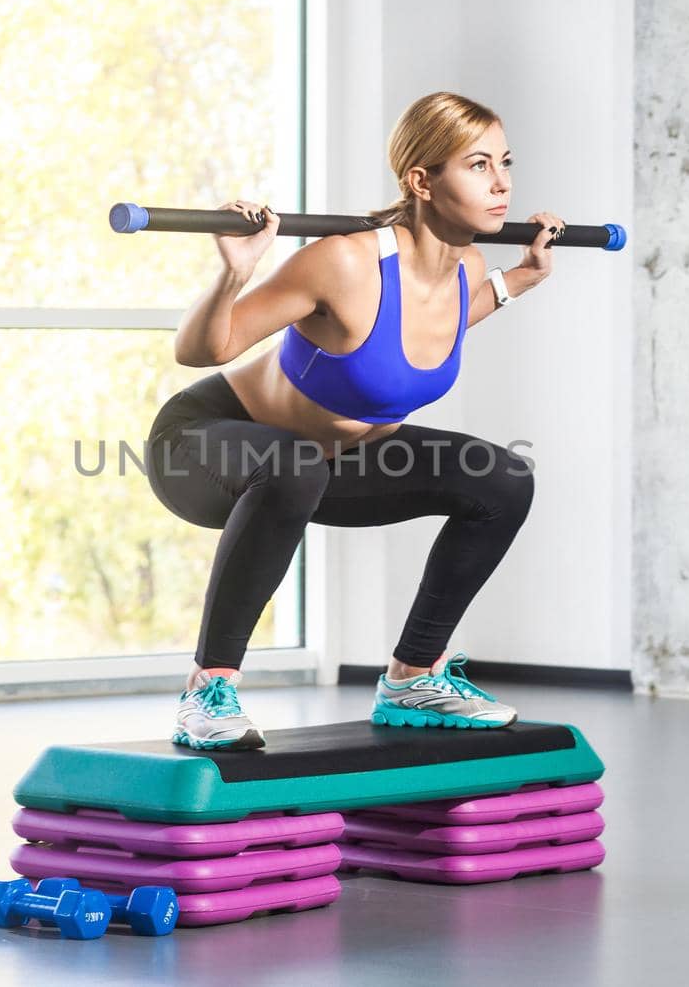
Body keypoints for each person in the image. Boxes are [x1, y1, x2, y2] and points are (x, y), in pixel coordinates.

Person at [146, 91, 564, 750]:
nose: (503, 182)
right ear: (422, 180)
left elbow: (422, 335)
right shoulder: (344, 261)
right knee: (294, 462)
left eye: (504, 162)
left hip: (318, 466)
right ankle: (208, 690)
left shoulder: (468, 268)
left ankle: (412, 676)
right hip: (202, 446)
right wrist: (235, 273)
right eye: (478, 164)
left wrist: (518, 281)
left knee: (502, 479)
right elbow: (201, 349)